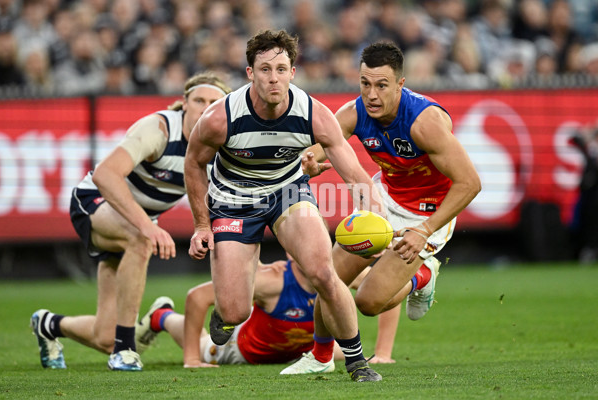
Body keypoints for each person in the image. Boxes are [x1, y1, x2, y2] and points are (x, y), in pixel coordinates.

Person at [183, 29, 385, 382]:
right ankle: (224, 316)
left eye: (281, 69)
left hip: (287, 191)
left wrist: (377, 213)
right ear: (250, 73)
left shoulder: (314, 114)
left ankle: (356, 362)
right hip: (233, 201)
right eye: (264, 70)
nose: (273, 78)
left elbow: (353, 170)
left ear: (293, 72)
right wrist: (202, 224)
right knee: (235, 309)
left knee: (323, 272)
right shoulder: (220, 118)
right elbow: (193, 164)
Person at [284, 41, 481, 373]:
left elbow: (470, 183)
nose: (371, 94)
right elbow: (317, 150)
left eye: (381, 85)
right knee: (326, 276)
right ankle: (319, 358)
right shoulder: (353, 112)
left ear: (400, 84)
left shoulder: (424, 122)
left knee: (369, 303)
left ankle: (423, 276)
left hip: (428, 212)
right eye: (365, 84)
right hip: (384, 199)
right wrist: (307, 162)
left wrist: (424, 230)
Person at [29, 72, 232, 371]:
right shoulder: (160, 128)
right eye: (198, 100)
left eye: (213, 102)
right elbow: (105, 175)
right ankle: (125, 351)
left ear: (222, 109)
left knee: (104, 335)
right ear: (184, 104)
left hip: (133, 222)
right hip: (95, 202)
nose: (204, 107)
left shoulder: (219, 144)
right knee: (140, 239)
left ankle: (48, 325)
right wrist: (148, 226)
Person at [134, 256, 401, 368]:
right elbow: (197, 297)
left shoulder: (337, 273)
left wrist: (384, 354)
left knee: (352, 350)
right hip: (241, 351)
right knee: (206, 344)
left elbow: (387, 291)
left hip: (300, 349)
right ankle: (162, 316)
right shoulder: (273, 280)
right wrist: (191, 359)